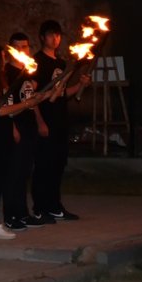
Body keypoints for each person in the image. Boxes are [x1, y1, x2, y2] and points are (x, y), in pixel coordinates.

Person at [0, 44, 41, 240]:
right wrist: (27, 103)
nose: (5, 60)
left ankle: (0, 221)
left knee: (5, 179)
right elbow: (0, 110)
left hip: (4, 134)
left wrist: (32, 102)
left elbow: (10, 110)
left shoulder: (0, 81)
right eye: (2, 57)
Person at [31, 20, 89, 222]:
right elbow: (32, 95)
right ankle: (40, 207)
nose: (55, 39)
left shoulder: (62, 64)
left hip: (60, 121)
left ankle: (55, 205)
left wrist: (80, 85)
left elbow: (63, 93)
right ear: (42, 37)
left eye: (57, 35)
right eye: (50, 35)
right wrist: (39, 122)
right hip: (44, 121)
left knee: (57, 165)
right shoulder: (36, 62)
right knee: (43, 165)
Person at [3, 32, 48, 230]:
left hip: (29, 127)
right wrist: (12, 128)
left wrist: (40, 121)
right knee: (14, 172)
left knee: (24, 172)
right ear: (11, 49)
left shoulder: (28, 72)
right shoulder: (6, 73)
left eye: (26, 46)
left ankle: (23, 213)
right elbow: (6, 104)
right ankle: (11, 215)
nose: (24, 50)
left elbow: (32, 101)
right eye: (19, 47)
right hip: (16, 127)